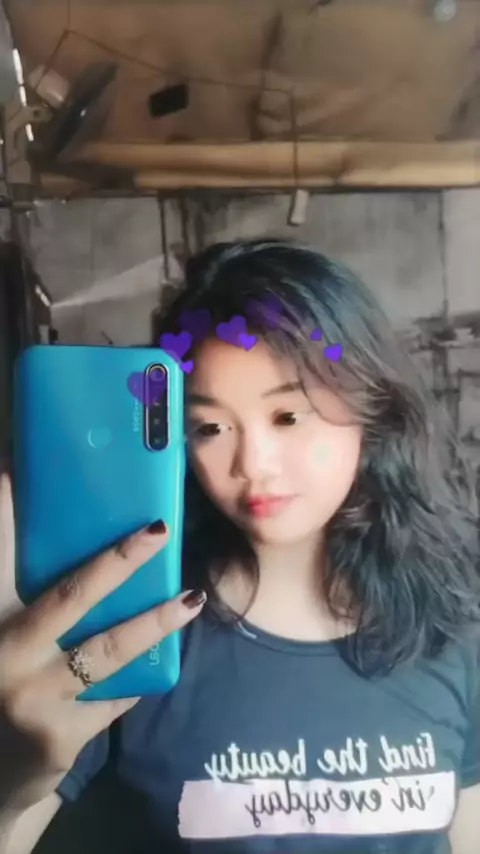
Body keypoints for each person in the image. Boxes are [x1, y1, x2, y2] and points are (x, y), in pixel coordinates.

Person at [1, 239, 480, 854]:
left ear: (372, 407)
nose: (253, 464)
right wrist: (9, 780)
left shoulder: (453, 628)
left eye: (287, 416)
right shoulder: (137, 640)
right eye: (210, 427)